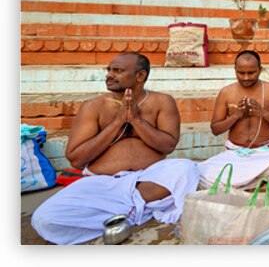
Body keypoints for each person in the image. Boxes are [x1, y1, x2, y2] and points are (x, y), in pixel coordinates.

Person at [31, 53, 200, 245]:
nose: (109, 75)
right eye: (109, 70)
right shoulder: (93, 107)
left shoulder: (162, 102)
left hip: (146, 181)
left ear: (140, 76)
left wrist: (136, 120)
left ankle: (119, 213)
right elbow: (76, 160)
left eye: (117, 71)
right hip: (102, 183)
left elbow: (168, 145)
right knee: (44, 219)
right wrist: (117, 123)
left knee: (187, 168)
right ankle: (134, 212)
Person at [197, 50, 269, 189]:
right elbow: (215, 129)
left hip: (265, 153)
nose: (245, 78)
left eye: (251, 73)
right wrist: (236, 115)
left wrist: (263, 113)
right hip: (235, 153)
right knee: (202, 172)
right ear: (235, 70)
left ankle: (237, 183)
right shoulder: (226, 92)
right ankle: (256, 182)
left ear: (260, 70)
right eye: (241, 73)